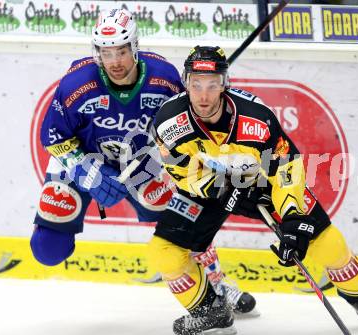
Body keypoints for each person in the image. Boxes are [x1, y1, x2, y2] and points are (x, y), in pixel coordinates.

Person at [149, 45, 358, 335]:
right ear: (185, 82)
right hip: (208, 187)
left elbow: (286, 167)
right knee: (164, 253)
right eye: (196, 84)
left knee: (326, 240)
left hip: (261, 182)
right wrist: (215, 186)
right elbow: (178, 170)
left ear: (225, 83)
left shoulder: (256, 118)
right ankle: (212, 313)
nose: (203, 95)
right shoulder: (168, 120)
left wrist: (291, 217)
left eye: (212, 85)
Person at [30, 9, 256, 316]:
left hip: (138, 162)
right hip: (81, 163)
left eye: (122, 51)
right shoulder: (75, 84)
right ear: (97, 53)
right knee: (47, 249)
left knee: (184, 219)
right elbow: (52, 136)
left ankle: (215, 285)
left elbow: (184, 120)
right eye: (106, 53)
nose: (115, 62)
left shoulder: (162, 77)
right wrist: (85, 169)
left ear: (135, 46)